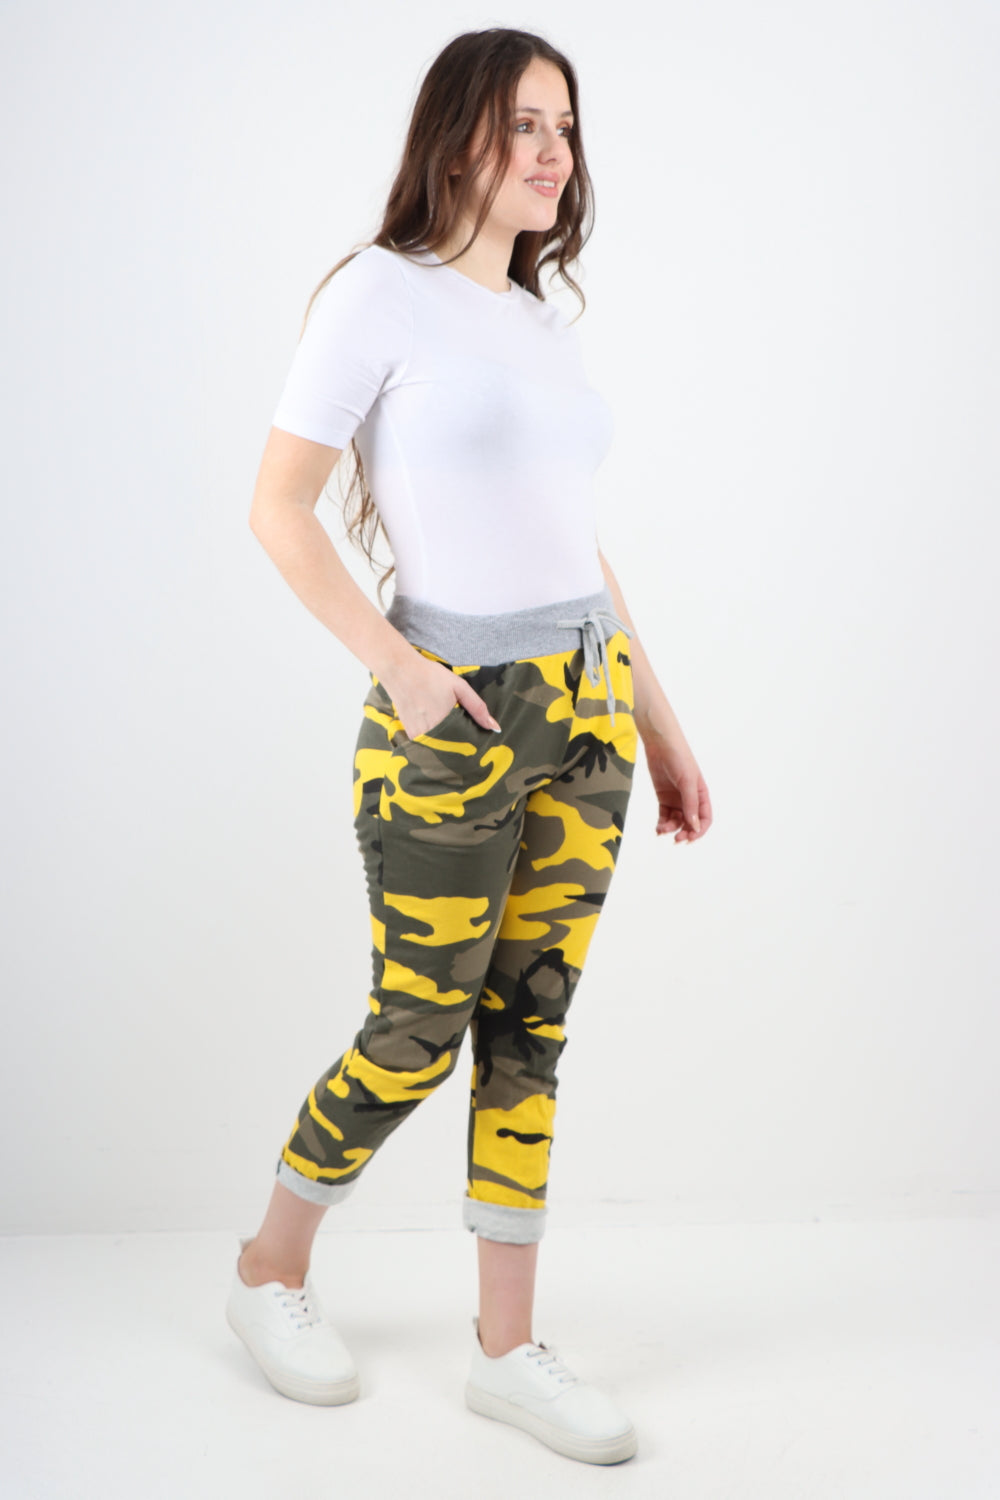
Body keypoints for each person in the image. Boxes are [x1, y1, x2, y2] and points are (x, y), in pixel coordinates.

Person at [225, 26, 712, 1467]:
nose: (555, 152)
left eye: (565, 125)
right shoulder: (378, 294)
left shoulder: (541, 326)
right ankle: (267, 1268)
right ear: (456, 140)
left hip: (584, 711)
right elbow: (277, 506)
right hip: (455, 720)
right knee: (418, 1026)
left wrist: (661, 723)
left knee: (529, 1029)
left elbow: (579, 550)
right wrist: (401, 669)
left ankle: (508, 1353)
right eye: (524, 125)